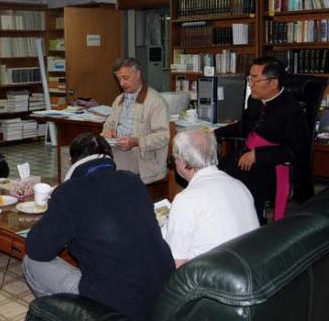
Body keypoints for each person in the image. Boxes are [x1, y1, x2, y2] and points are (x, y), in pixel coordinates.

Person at [23, 133, 175, 321]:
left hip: (118, 305)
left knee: (31, 263)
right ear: (110, 157)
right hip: (163, 296)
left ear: (72, 162)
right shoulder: (133, 181)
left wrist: (55, 209)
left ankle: (64, 314)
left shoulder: (70, 192)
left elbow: (37, 249)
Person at [215, 57, 309, 224]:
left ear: (273, 83)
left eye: (255, 79)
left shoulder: (291, 109)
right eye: (249, 78)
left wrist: (258, 155)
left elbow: (295, 151)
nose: (250, 84)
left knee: (243, 196)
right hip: (246, 155)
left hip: (271, 165)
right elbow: (243, 128)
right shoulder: (254, 100)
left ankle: (253, 228)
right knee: (215, 174)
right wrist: (213, 133)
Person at [165, 128, 259, 267]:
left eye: (175, 158)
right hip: (250, 268)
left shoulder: (186, 200)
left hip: (214, 276)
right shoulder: (240, 186)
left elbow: (175, 264)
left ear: (183, 162)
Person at [102, 57, 170, 185]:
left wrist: (136, 141)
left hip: (143, 157)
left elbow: (163, 136)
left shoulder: (155, 101)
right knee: (91, 163)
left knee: (105, 172)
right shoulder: (119, 100)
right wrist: (108, 131)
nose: (122, 83)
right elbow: (108, 124)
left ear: (138, 74)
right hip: (120, 149)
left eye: (125, 78)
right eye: (119, 79)